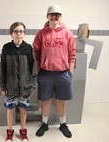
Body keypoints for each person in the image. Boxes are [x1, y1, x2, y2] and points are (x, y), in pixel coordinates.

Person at [33, 5, 76, 138]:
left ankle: (63, 124)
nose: (54, 17)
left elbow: (72, 53)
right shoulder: (41, 33)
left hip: (63, 73)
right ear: (47, 16)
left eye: (57, 14)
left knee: (61, 100)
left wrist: (70, 73)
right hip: (46, 73)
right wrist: (39, 71)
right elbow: (36, 53)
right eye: (52, 14)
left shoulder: (67, 33)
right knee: (46, 100)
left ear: (60, 17)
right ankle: (44, 123)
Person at [0, 22, 37, 142]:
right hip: (10, 87)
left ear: (24, 33)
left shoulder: (28, 48)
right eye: (16, 31)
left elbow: (33, 68)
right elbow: (3, 68)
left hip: (25, 87)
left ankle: (23, 132)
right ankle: (9, 133)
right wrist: (3, 86)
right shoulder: (6, 48)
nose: (18, 33)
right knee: (10, 109)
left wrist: (32, 86)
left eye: (21, 31)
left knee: (23, 109)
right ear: (12, 34)